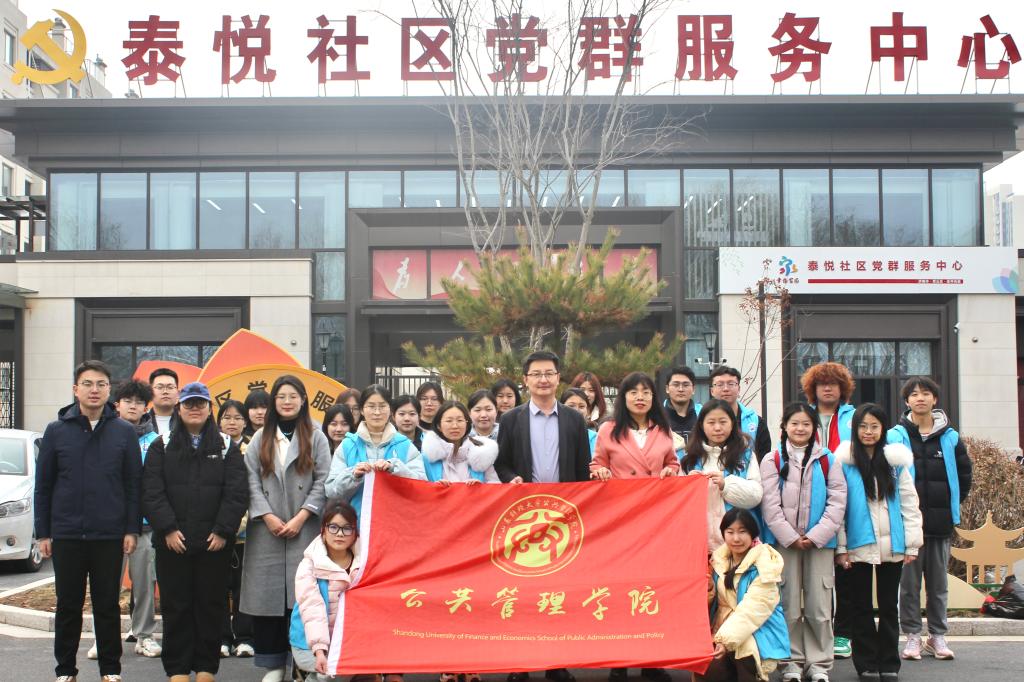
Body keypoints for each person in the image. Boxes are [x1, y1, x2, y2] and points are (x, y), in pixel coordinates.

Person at [35, 359, 143, 682]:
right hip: (67, 533)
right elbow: (44, 485)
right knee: (68, 605)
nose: (94, 390)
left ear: (109, 390)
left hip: (109, 534)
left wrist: (131, 528)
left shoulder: (124, 431)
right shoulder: (57, 431)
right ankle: (65, 670)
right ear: (75, 389)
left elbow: (133, 485)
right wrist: (43, 533)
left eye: (101, 384)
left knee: (107, 604)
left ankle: (110, 669)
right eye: (87, 384)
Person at [142, 382, 249, 682]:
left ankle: (206, 668)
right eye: (189, 403)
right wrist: (167, 529)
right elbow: (151, 491)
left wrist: (223, 530)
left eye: (200, 403)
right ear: (179, 408)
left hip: (214, 544)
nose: (194, 409)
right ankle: (177, 669)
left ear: (209, 409)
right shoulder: (161, 444)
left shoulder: (226, 446)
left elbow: (237, 493)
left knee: (210, 606)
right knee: (176, 606)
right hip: (172, 543)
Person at [494, 351, 589, 682]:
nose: (543, 379)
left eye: (549, 373)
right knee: (522, 592)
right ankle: (519, 664)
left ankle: (555, 663)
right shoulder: (511, 419)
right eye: (536, 374)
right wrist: (511, 479)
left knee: (557, 594)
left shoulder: (574, 420)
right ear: (526, 380)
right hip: (524, 518)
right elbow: (501, 463)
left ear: (558, 378)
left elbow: (582, 470)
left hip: (564, 518)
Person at [241, 375, 333, 682]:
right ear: (273, 402)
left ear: (303, 400)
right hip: (267, 528)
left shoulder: (316, 436)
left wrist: (302, 516)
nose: (287, 401)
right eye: (281, 396)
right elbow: (251, 480)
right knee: (269, 599)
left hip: (304, 527)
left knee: (305, 597)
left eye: (293, 396)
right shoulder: (260, 437)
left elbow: (323, 480)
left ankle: (304, 663)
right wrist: (266, 515)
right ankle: (274, 664)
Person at [589, 372, 679, 682]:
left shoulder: (663, 430)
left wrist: (671, 470)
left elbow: (673, 462)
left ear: (654, 397)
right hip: (621, 520)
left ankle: (652, 660)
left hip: (655, 519)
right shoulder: (609, 429)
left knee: (651, 588)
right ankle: (619, 660)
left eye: (646, 392)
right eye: (633, 392)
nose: (640, 397)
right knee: (621, 589)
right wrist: (600, 472)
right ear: (623, 397)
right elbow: (597, 463)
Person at [760, 402, 847, 682]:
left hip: (820, 544)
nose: (800, 428)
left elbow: (837, 502)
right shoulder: (772, 459)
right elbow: (769, 505)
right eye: (794, 423)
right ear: (784, 426)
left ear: (814, 428)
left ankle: (819, 664)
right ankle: (791, 662)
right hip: (783, 544)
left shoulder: (828, 460)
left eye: (806, 424)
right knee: (786, 603)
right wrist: (789, 536)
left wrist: (816, 535)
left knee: (819, 605)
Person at [835, 403, 923, 680]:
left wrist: (911, 544)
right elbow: (838, 509)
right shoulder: (845, 463)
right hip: (857, 544)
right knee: (860, 606)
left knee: (888, 607)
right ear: (855, 429)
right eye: (863, 426)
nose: (868, 431)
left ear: (883, 429)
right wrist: (841, 547)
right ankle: (866, 663)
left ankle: (889, 663)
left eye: (874, 426)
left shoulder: (895, 463)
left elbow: (910, 504)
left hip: (893, 546)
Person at [890, 377, 972, 662]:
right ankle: (912, 636)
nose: (920, 398)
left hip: (939, 524)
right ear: (906, 401)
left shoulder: (950, 437)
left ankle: (937, 636)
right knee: (908, 586)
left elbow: (964, 475)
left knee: (938, 586)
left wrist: (949, 505)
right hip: (906, 525)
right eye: (914, 394)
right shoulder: (896, 436)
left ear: (935, 399)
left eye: (926, 393)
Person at [800, 361, 857, 659]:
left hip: (850, 500)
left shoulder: (854, 417)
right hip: (812, 499)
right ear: (813, 388)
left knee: (846, 568)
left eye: (833, 384)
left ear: (842, 388)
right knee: (817, 576)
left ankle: (844, 632)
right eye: (822, 384)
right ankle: (817, 634)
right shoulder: (802, 416)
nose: (827, 388)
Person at [700, 508, 789, 682]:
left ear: (753, 534)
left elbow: (752, 610)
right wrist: (709, 589)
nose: (736, 538)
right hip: (722, 629)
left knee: (745, 653)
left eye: (742, 532)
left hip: (758, 631)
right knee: (707, 668)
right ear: (723, 534)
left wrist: (724, 640)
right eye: (730, 532)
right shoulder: (718, 560)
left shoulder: (765, 565)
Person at [113, 379, 162, 659]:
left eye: (139, 402)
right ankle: (105, 636)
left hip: (145, 525)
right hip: (111, 524)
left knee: (144, 583)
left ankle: (144, 635)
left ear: (146, 407)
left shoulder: (155, 441)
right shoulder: (107, 435)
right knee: (107, 584)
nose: (133, 406)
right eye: (128, 401)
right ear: (117, 405)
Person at [325, 385, 427, 517]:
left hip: (396, 521)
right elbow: (331, 491)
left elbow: (422, 486)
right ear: (362, 410)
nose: (377, 412)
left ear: (390, 409)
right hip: (356, 522)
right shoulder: (347, 445)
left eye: (382, 406)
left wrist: (395, 468)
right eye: (371, 406)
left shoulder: (405, 445)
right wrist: (353, 475)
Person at [290, 499, 361, 682]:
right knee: (328, 676)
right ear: (323, 530)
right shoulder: (309, 565)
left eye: (347, 528)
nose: (340, 534)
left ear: (355, 533)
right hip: (309, 642)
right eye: (333, 527)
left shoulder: (365, 563)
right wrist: (320, 650)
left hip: (350, 641)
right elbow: (312, 609)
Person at [679, 398, 763, 553]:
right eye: (711, 422)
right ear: (701, 425)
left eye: (723, 422)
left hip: (737, 543)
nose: (717, 428)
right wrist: (688, 486)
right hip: (700, 544)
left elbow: (756, 495)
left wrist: (726, 485)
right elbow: (680, 505)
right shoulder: (688, 459)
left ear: (732, 423)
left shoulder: (745, 455)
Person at [217, 399, 255, 658]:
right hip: (217, 531)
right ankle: (221, 637)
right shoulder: (212, 447)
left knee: (244, 588)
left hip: (246, 532)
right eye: (227, 417)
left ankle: (244, 638)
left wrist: (239, 522)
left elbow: (255, 491)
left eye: (237, 417)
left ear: (245, 422)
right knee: (217, 587)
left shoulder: (253, 448)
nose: (232, 422)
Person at [422, 401, 500, 484]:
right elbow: (420, 485)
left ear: (467, 424)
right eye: (449, 421)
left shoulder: (482, 454)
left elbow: (495, 485)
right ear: (439, 426)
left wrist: (480, 487)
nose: (455, 426)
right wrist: (435, 487)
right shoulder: (428, 457)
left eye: (460, 420)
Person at [709, 366, 772, 461]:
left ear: (738, 389)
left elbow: (764, 459)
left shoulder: (756, 422)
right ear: (712, 391)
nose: (725, 389)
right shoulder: (702, 421)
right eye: (720, 384)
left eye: (731, 384)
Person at [664, 365, 702, 444]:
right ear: (667, 389)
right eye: (676, 385)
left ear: (693, 389)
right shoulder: (657, 415)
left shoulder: (703, 414)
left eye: (685, 385)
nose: (680, 389)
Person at [560, 388, 597, 456]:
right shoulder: (554, 435)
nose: (576, 410)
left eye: (581, 406)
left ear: (588, 411)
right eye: (571, 406)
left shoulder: (596, 439)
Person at [149, 367, 181, 435]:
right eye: (160, 387)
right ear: (150, 393)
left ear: (178, 394)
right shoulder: (141, 422)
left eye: (170, 387)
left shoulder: (187, 422)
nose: (165, 391)